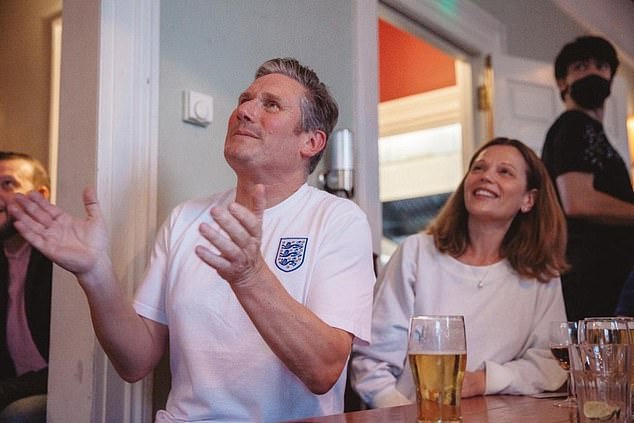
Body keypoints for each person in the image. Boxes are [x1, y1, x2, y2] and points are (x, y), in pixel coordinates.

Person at [9, 58, 375, 422]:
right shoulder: (186, 218)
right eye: (244, 100)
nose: (244, 111)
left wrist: (250, 276)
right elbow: (135, 361)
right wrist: (94, 272)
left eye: (271, 104)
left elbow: (324, 370)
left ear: (311, 141)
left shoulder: (337, 220)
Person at [350, 137, 569, 408]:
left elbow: (549, 365)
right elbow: (372, 362)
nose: (486, 176)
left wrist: (483, 380)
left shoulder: (540, 274)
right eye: (478, 168)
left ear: (528, 199)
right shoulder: (416, 253)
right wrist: (401, 413)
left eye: (504, 171)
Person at [541, 36, 634, 322]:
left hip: (605, 274)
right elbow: (577, 201)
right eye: (581, 66)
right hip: (592, 276)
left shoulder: (593, 132)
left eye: (601, 66)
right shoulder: (574, 125)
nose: (593, 72)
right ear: (562, 82)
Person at [0, 152, 51, 423]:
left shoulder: (57, 263)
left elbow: (68, 364)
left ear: (40, 196)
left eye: (8, 184)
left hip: (55, 386)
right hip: (12, 384)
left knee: (18, 414)